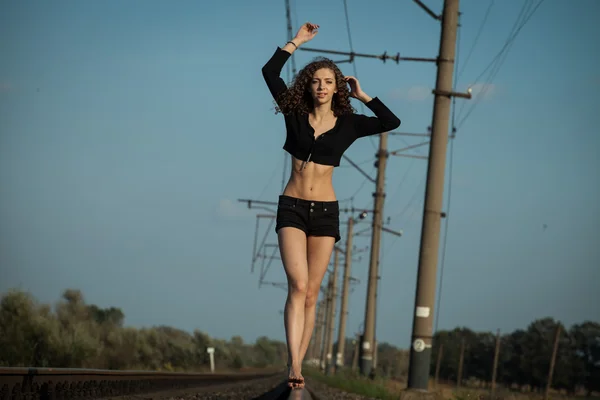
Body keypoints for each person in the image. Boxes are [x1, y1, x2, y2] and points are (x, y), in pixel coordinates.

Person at [261, 22, 401, 389]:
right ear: (307, 85)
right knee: (298, 284)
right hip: (291, 207)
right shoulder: (292, 111)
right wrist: (298, 42)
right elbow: (269, 72)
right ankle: (293, 364)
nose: (321, 87)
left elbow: (391, 121)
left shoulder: (350, 124)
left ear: (338, 87)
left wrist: (364, 95)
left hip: (325, 214)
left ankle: (298, 363)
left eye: (328, 81)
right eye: (316, 81)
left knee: (311, 293)